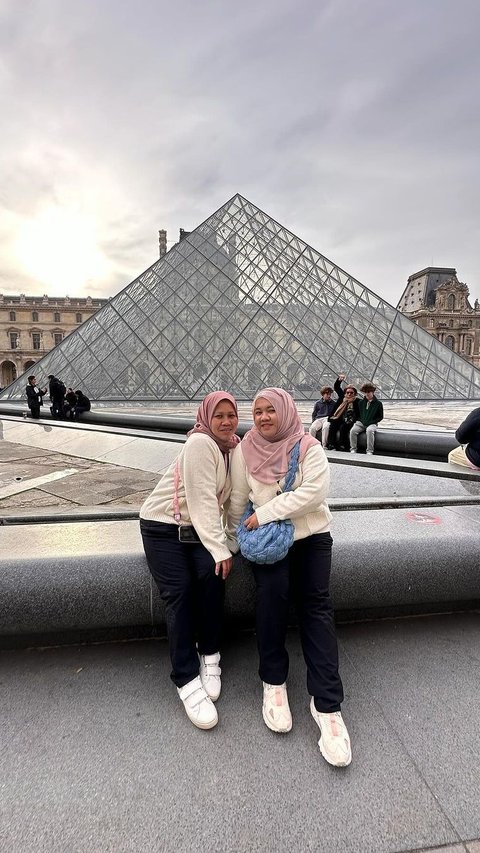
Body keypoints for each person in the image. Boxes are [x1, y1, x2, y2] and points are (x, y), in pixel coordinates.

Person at [229, 388, 351, 766]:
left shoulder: (308, 445)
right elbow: (236, 501)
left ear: (284, 411)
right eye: (258, 411)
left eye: (270, 410)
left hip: (312, 537)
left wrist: (266, 513)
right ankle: (274, 682)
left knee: (316, 608)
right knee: (271, 600)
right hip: (268, 545)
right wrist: (230, 547)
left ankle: (327, 706)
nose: (264, 417)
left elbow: (315, 493)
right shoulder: (244, 450)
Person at [140, 392, 240, 731]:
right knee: (179, 592)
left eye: (231, 415)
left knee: (213, 577)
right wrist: (221, 547)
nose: (226, 421)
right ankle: (185, 677)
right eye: (219, 416)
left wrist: (229, 541)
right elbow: (201, 500)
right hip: (162, 527)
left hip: (194, 530)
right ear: (206, 418)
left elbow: (225, 504)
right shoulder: (201, 443)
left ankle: (210, 655)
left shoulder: (230, 449)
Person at [349, 383, 384, 455]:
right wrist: (360, 421)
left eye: (368, 392)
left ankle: (369, 450)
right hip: (361, 423)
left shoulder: (378, 404)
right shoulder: (361, 403)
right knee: (353, 431)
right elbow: (357, 414)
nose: (367, 394)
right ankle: (353, 449)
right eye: (365, 392)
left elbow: (380, 417)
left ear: (372, 392)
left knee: (370, 430)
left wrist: (372, 421)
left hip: (372, 423)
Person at [328, 382, 359, 451]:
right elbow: (337, 387)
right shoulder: (342, 399)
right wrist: (339, 380)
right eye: (347, 392)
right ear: (345, 393)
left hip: (351, 420)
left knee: (343, 427)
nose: (349, 394)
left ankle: (342, 445)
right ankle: (331, 444)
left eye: (351, 392)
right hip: (341, 418)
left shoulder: (357, 401)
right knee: (333, 425)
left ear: (355, 394)